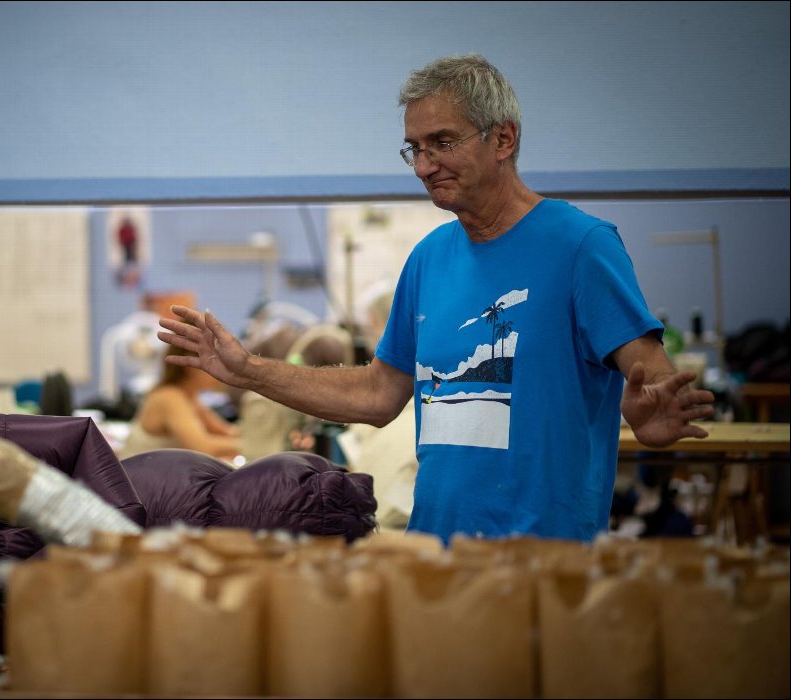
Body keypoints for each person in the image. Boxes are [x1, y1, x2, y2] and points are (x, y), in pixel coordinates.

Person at [157, 54, 716, 544]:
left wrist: (649, 414)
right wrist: (247, 370)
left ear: (503, 139)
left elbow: (651, 379)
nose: (424, 167)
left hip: (545, 563)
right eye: (415, 150)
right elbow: (378, 394)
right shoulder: (428, 259)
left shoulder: (582, 247)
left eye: (442, 143)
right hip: (435, 557)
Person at [118, 323, 241, 463]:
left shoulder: (190, 398)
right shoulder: (169, 398)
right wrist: (253, 444)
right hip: (136, 481)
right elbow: (204, 446)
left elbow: (226, 432)